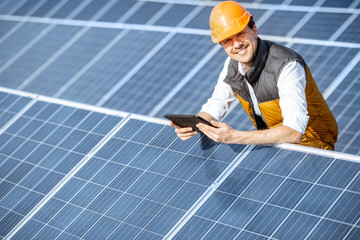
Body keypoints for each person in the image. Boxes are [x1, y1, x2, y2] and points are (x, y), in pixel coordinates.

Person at [171, 1, 338, 150]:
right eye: (227, 40)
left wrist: (234, 137)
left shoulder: (287, 66)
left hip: (311, 147)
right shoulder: (232, 65)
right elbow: (218, 102)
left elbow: (294, 132)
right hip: (277, 145)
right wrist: (194, 124)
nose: (236, 45)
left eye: (240, 34)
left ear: (254, 30)